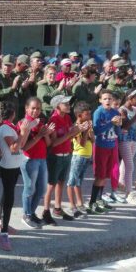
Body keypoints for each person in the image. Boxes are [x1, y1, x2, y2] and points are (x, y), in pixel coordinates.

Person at [41, 95, 84, 225]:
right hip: (55, 157)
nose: (68, 105)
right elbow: (53, 143)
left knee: (61, 182)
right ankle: (46, 211)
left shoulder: (67, 117)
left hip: (66, 155)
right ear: (57, 106)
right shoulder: (53, 120)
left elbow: (70, 134)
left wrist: (77, 131)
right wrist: (71, 134)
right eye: (65, 103)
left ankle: (58, 208)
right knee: (51, 185)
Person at [0, 101, 30, 251]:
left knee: (7, 194)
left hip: (15, 165)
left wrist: (25, 131)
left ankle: (2, 223)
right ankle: (3, 234)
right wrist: (23, 131)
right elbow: (14, 149)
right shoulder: (5, 128)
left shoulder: (11, 127)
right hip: (8, 166)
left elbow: (21, 145)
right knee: (9, 198)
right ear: (13, 113)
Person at [19, 97, 54, 229]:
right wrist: (39, 135)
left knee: (41, 189)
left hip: (42, 159)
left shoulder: (39, 122)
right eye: (33, 108)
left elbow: (49, 144)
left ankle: (32, 213)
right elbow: (24, 147)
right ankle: (27, 215)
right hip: (29, 159)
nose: (35, 111)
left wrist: (46, 134)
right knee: (29, 188)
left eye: (38, 108)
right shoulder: (24, 123)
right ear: (26, 109)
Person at [89, 90, 122, 214]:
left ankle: (99, 199)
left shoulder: (115, 112)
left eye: (110, 98)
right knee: (99, 176)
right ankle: (92, 202)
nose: (108, 100)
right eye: (105, 98)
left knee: (105, 176)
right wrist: (110, 123)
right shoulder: (98, 112)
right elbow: (96, 130)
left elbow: (118, 131)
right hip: (101, 146)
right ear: (100, 100)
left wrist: (118, 125)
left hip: (111, 145)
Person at [66, 102, 94, 218]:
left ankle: (80, 203)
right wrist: (86, 131)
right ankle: (72, 206)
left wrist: (89, 131)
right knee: (72, 182)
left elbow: (93, 140)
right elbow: (82, 143)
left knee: (79, 182)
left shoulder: (87, 125)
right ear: (79, 116)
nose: (89, 117)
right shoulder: (76, 127)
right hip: (78, 156)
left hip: (86, 156)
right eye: (87, 115)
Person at [117, 89, 136, 206]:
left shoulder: (135, 109)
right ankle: (129, 193)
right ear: (129, 98)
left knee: (126, 163)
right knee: (130, 166)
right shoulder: (122, 110)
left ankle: (121, 184)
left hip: (133, 138)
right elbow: (125, 126)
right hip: (124, 139)